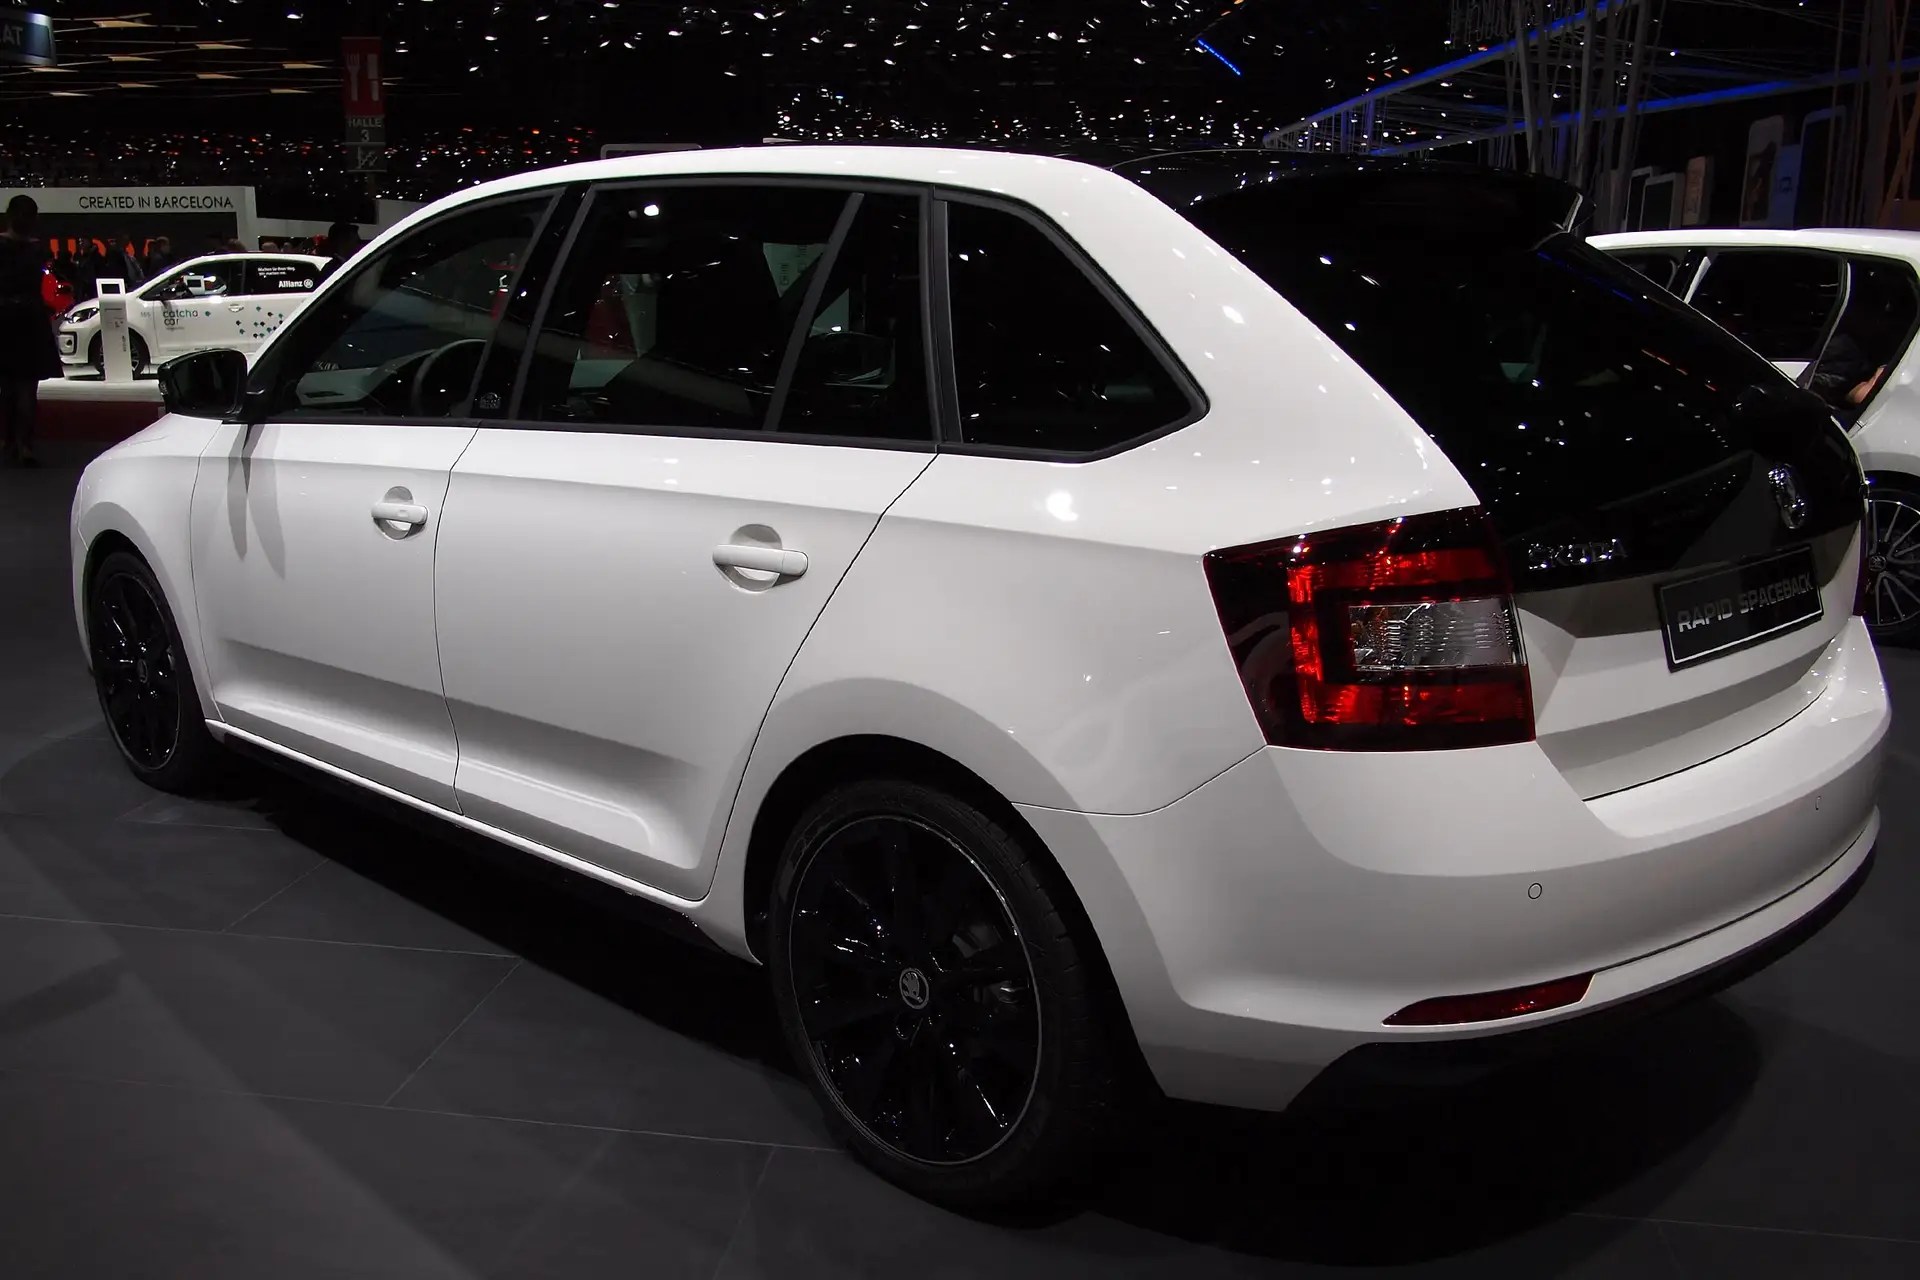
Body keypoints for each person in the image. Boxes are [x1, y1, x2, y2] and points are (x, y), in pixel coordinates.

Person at [0, 195, 63, 466]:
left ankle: (8, 440)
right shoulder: (37, 250)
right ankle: (24, 444)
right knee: (27, 386)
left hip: (4, 317)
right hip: (30, 319)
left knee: (7, 384)